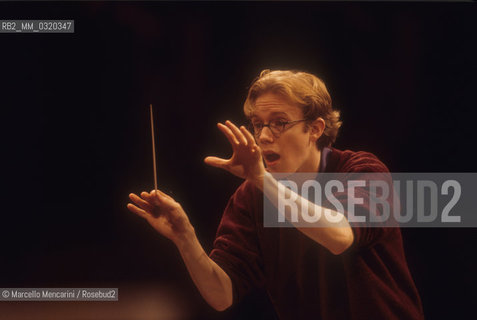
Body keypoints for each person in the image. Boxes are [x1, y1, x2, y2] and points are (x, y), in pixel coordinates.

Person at [127, 70, 424, 319]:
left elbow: (340, 237)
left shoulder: (362, 170)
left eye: (279, 123)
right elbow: (222, 295)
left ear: (315, 129)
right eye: (258, 124)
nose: (264, 136)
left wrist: (261, 178)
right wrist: (185, 237)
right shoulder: (252, 197)